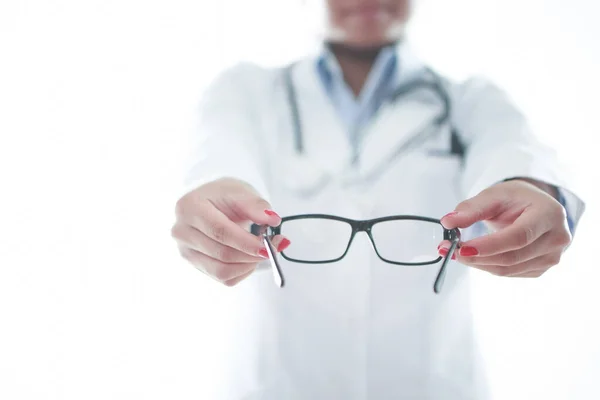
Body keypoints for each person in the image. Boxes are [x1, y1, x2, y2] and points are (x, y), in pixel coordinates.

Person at [171, 0, 585, 398]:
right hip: (284, 382)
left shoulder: (470, 100)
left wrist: (528, 188)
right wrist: (213, 198)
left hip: (429, 384)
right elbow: (220, 151)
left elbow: (509, 147)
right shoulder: (248, 92)